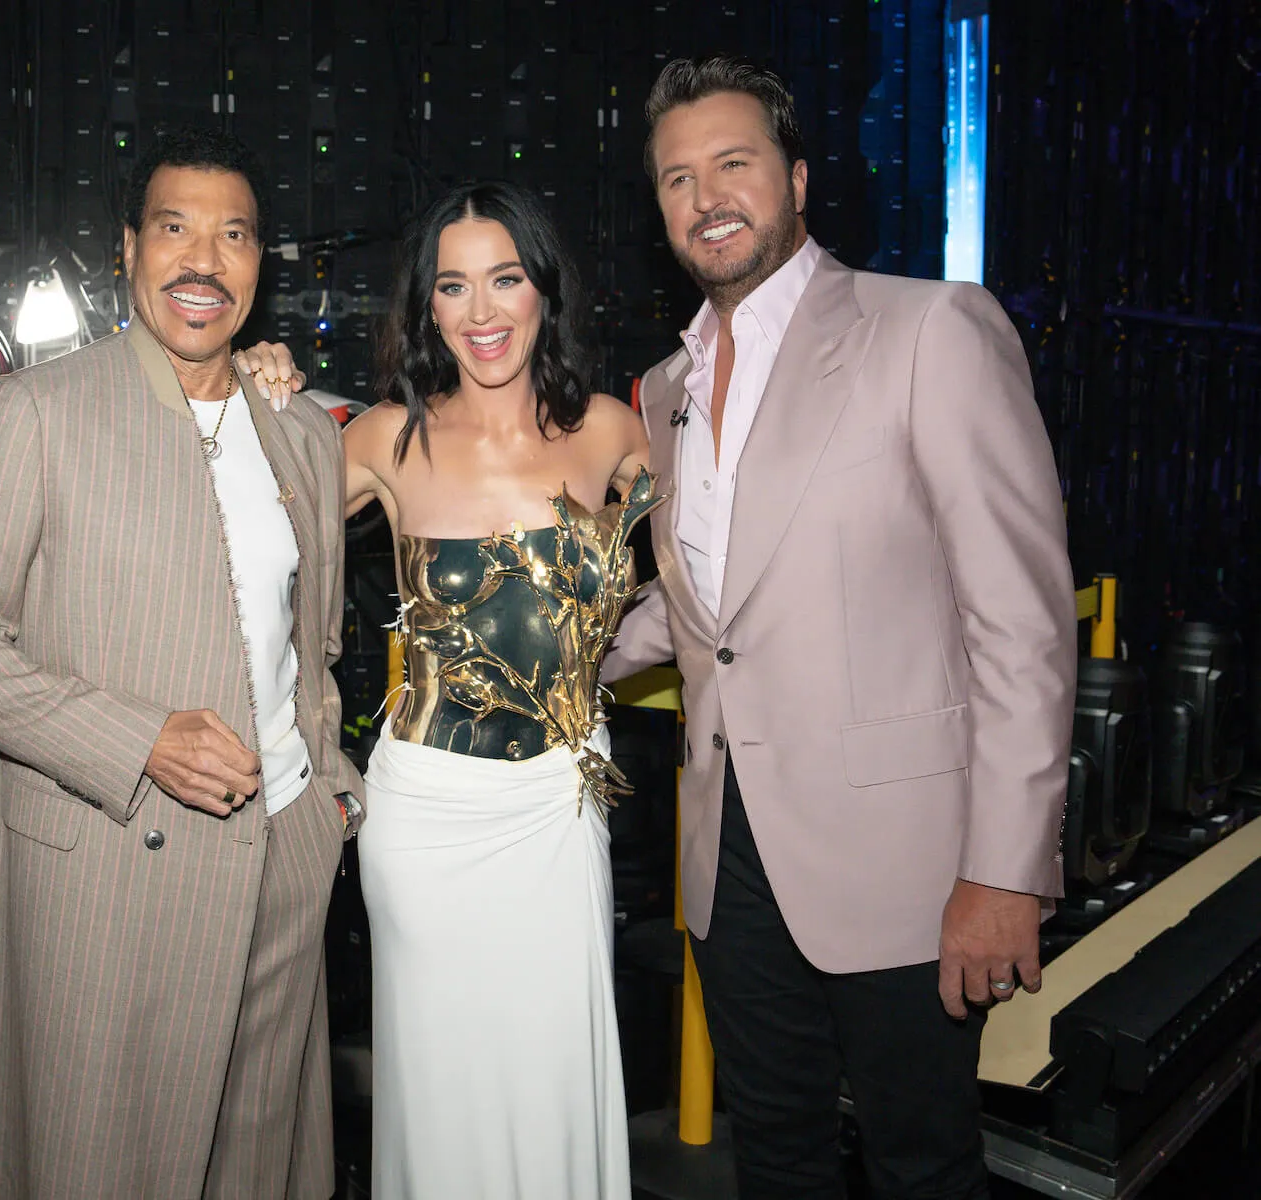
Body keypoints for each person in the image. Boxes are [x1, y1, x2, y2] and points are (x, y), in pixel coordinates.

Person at [602, 56, 1076, 1200]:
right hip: (732, 859)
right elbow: (704, 605)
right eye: (678, 177)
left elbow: (1021, 616)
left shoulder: (929, 330)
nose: (706, 195)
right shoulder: (662, 390)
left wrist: (1005, 870)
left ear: (798, 179)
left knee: (923, 1167)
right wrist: (545, 663)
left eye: (734, 163)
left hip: (907, 863)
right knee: (776, 1156)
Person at [0, 126, 363, 1200]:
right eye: (175, 229)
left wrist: (328, 797)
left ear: (260, 265)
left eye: (233, 235)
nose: (204, 259)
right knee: (102, 1165)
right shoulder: (35, 414)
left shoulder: (300, 433)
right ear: (127, 251)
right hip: (112, 873)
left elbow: (317, 646)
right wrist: (138, 739)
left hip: (282, 862)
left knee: (257, 1164)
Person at [242, 180, 653, 1200]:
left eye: (504, 279)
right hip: (428, 818)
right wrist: (244, 393)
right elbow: (242, 534)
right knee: (445, 1094)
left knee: (555, 1079)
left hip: (560, 813)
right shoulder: (388, 437)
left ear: (542, 292)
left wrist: (586, 684)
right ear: (425, 306)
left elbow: (711, 591)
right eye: (453, 286)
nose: (482, 313)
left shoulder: (611, 430)